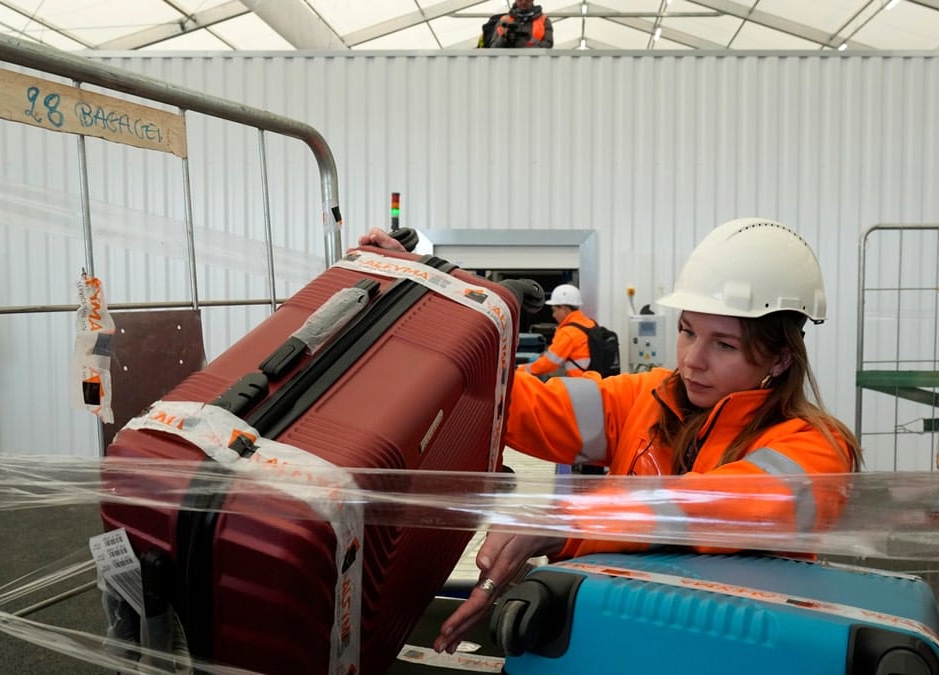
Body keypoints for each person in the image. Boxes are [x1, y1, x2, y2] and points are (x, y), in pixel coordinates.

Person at [356, 217, 862, 655]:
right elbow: (511, 402)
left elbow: (709, 506)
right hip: (621, 634)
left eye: (724, 344)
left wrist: (564, 521)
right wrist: (424, 305)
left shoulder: (817, 447)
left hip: (731, 651)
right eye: (688, 331)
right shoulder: (646, 399)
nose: (691, 360)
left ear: (779, 357)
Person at [523, 283, 595, 379]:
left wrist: (523, 369)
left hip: (581, 385)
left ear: (564, 309)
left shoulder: (568, 332)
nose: (553, 315)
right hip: (596, 382)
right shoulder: (591, 323)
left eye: (554, 310)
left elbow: (549, 363)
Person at [485, 0, 553, 48]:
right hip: (508, 63)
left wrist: (526, 51)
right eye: (520, 0)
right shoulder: (504, 20)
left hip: (534, 63)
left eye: (527, 0)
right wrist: (504, 37)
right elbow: (493, 47)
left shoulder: (543, 20)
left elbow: (548, 44)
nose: (523, 2)